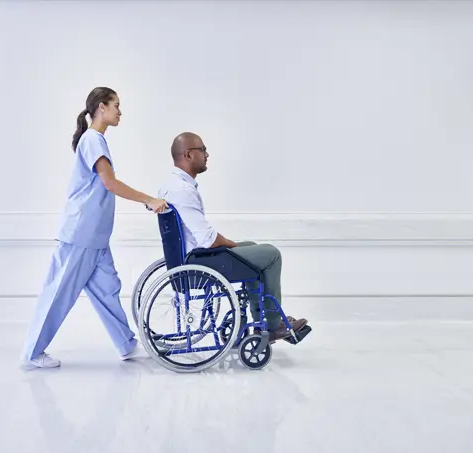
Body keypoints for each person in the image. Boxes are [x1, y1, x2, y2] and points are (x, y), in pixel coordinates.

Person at [21, 87, 168, 368]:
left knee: (108, 289)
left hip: (96, 236)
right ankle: (31, 354)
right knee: (59, 292)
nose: (120, 111)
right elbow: (109, 183)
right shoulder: (92, 140)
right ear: (101, 107)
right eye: (116, 105)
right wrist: (149, 200)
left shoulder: (96, 140)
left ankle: (126, 344)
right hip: (80, 234)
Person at [158, 132, 308, 343]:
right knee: (271, 255)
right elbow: (208, 239)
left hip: (189, 258)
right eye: (203, 150)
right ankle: (272, 324)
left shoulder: (170, 184)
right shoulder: (183, 190)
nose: (207, 154)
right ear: (189, 155)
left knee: (253, 248)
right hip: (199, 263)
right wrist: (230, 244)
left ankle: (262, 321)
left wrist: (232, 246)